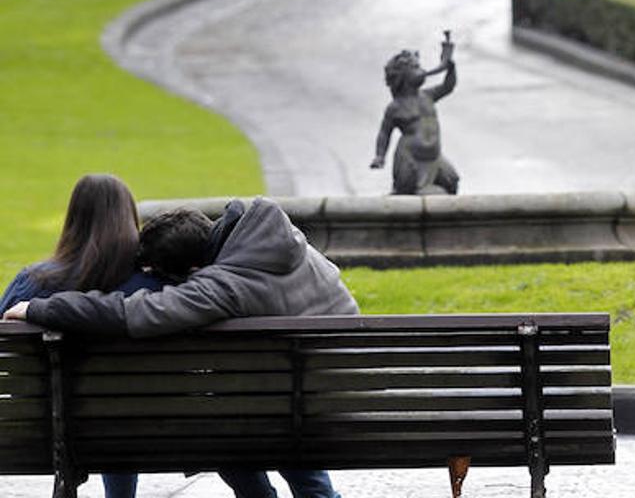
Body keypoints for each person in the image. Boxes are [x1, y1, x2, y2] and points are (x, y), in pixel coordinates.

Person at [6, 196, 358, 498]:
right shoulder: (277, 233)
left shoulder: (221, 286)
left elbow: (136, 313)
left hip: (294, 405)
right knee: (265, 402)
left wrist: (40, 308)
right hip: (338, 387)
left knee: (234, 418)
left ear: (191, 269)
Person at [0, 173, 161, 498]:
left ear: (73, 220)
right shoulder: (156, 287)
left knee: (95, 412)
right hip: (145, 425)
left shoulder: (33, 283)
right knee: (119, 407)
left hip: (45, 424)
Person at [370, 31, 460, 195]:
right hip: (411, 157)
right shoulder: (395, 107)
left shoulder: (427, 96)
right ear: (403, 76)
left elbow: (448, 86)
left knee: (452, 180)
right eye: (415, 67)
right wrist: (380, 156)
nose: (421, 70)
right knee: (408, 187)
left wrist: (451, 68)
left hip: (434, 157)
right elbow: (384, 133)